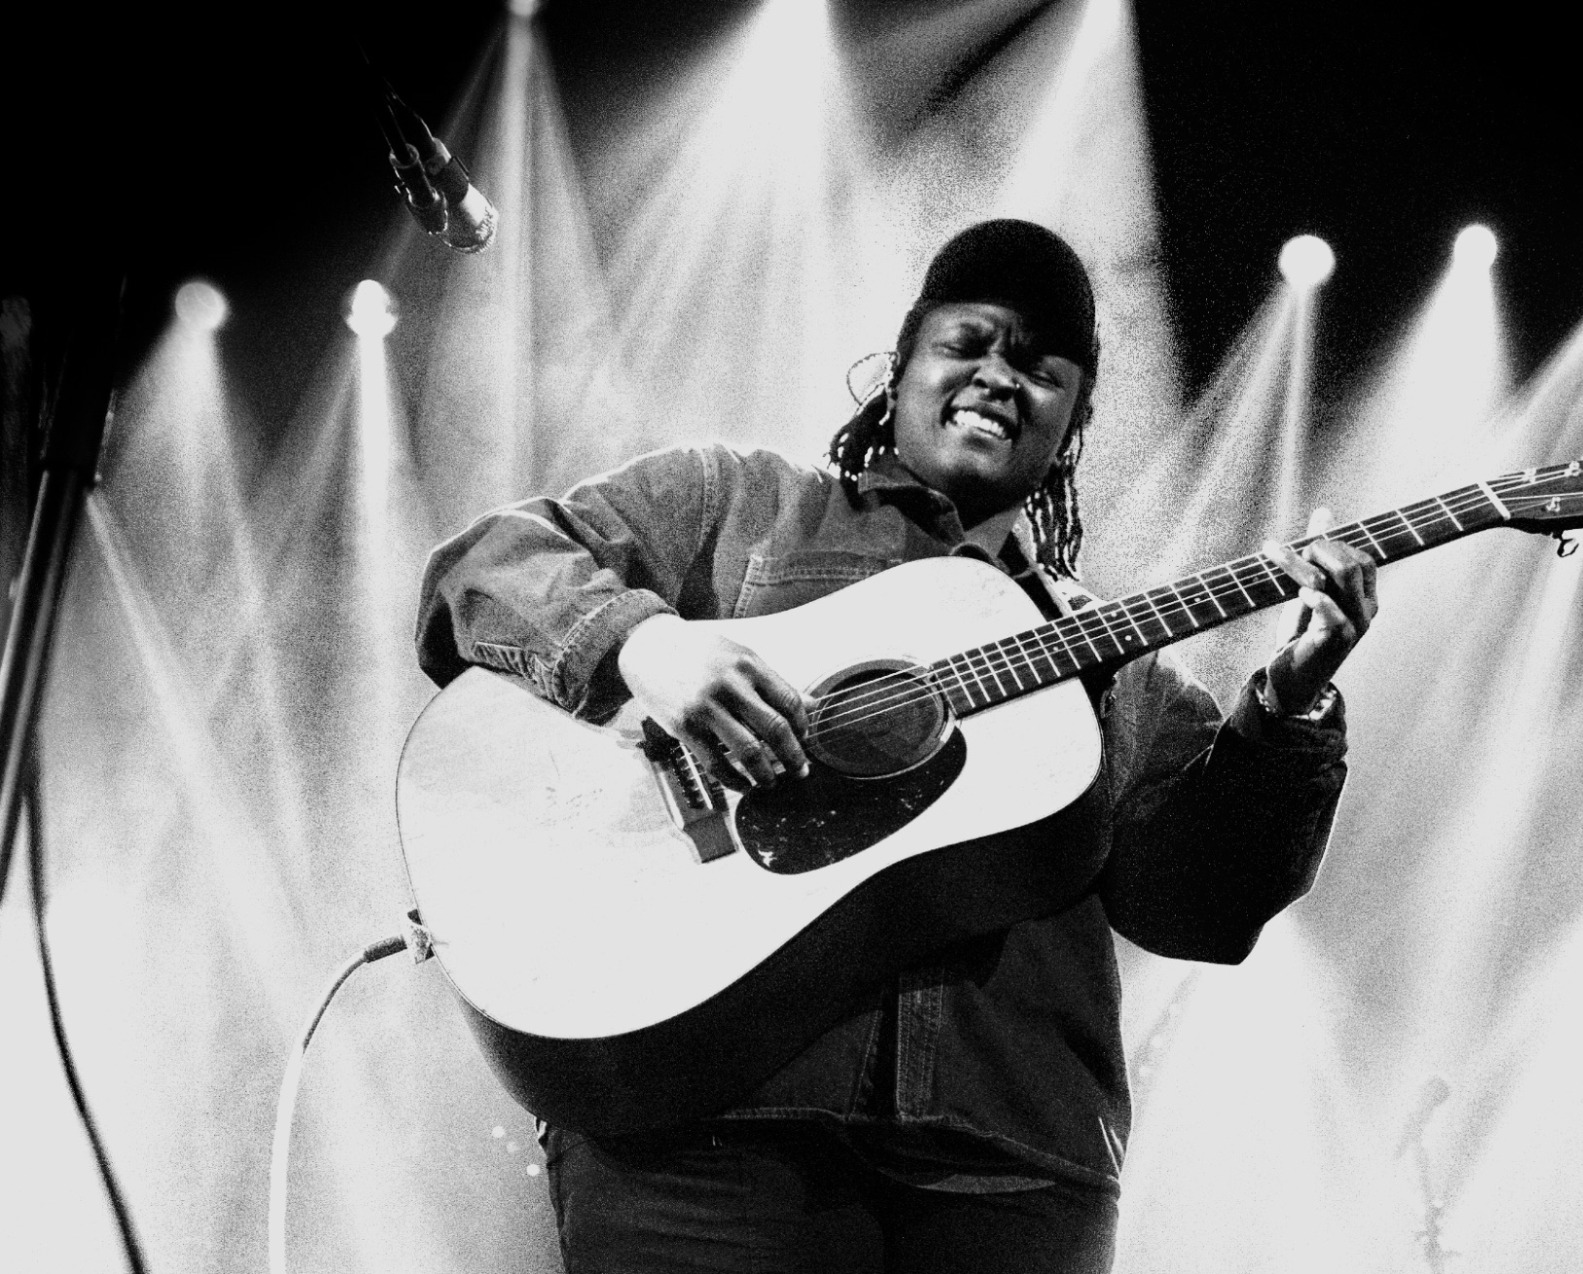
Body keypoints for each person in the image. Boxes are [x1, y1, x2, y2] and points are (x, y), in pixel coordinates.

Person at [416, 219, 1378, 1273]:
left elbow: (1205, 906)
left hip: (1010, 1159)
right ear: (902, 367)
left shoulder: (1114, 665)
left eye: (1040, 365)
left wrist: (1290, 696)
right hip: (708, 1125)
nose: (999, 375)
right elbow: (484, 565)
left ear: (1075, 420)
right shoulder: (736, 506)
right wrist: (644, 646)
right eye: (968, 342)